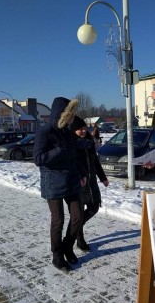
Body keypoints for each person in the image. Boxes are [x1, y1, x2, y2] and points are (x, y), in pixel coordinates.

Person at [34, 97, 87, 272]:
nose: (72, 119)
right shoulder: (45, 131)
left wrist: (81, 174)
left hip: (71, 179)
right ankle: (57, 256)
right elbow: (38, 159)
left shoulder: (68, 132)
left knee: (78, 216)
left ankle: (68, 246)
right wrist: (58, 150)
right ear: (61, 114)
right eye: (70, 115)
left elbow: (74, 156)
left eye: (73, 115)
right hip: (53, 183)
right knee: (58, 220)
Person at [70, 116, 109, 251]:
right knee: (78, 213)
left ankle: (77, 225)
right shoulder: (71, 144)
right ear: (73, 130)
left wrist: (103, 177)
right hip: (79, 183)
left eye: (84, 128)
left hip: (91, 182)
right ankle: (80, 240)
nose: (83, 131)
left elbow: (95, 161)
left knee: (94, 207)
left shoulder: (89, 142)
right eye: (79, 129)